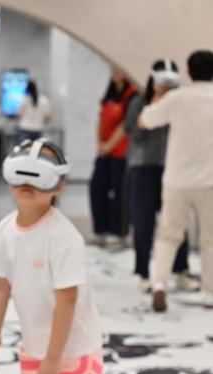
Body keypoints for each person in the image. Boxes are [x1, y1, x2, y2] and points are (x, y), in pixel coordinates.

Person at [0, 139, 103, 374]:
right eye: (20, 176)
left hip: (72, 347)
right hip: (34, 346)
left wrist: (54, 357)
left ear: (59, 185)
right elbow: (0, 285)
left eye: (38, 178)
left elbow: (68, 300)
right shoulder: (6, 229)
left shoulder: (63, 236)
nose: (27, 185)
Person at [139, 49, 213, 311]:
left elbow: (145, 121)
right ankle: (209, 293)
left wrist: (158, 95)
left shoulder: (178, 98)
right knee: (210, 239)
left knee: (168, 236)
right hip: (209, 180)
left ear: (189, 72)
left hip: (176, 179)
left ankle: (160, 284)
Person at [124, 59, 199, 294]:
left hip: (174, 169)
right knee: (143, 221)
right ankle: (143, 273)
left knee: (176, 222)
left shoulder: (181, 103)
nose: (167, 88)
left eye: (171, 83)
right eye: (162, 82)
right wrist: (154, 107)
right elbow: (133, 134)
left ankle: (181, 270)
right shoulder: (139, 102)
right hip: (143, 168)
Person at [89, 68, 137, 247]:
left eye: (118, 69)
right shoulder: (110, 92)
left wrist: (109, 145)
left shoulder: (132, 94)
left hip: (122, 153)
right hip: (105, 152)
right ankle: (101, 230)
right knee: (97, 188)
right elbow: (101, 118)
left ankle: (119, 232)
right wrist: (100, 144)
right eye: (113, 69)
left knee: (120, 193)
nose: (115, 72)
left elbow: (126, 124)